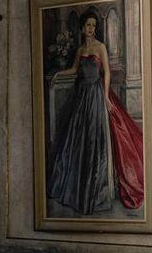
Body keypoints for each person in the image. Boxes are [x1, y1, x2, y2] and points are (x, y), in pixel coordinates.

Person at [48, 11, 144, 216]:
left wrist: (106, 96)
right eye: (88, 25)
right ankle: (77, 187)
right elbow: (75, 69)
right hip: (81, 93)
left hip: (96, 92)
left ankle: (97, 188)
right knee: (78, 138)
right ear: (83, 28)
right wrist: (58, 73)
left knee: (95, 137)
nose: (91, 28)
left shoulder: (100, 47)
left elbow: (107, 72)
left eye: (93, 25)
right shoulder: (81, 49)